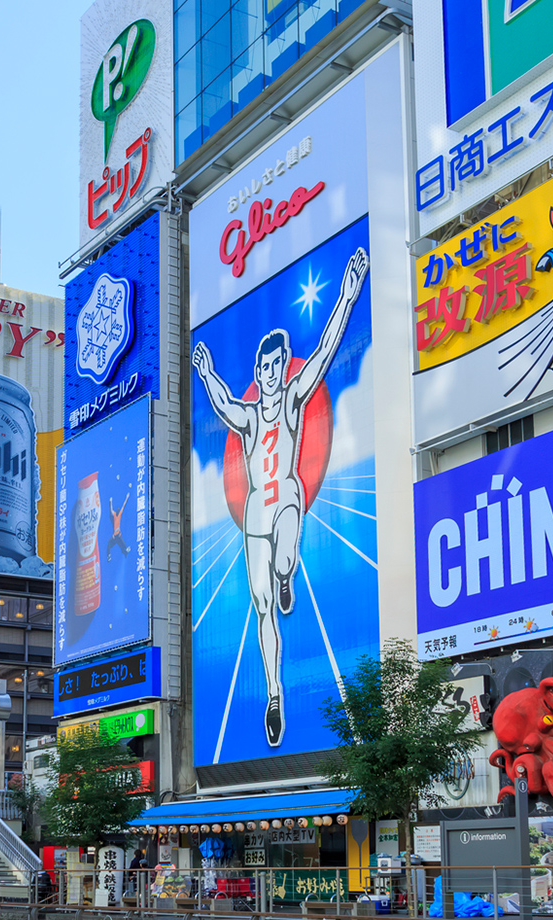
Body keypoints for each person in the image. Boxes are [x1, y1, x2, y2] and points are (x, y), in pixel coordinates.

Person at [190, 245, 367, 747]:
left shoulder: (291, 399)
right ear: (258, 370)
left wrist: (349, 294)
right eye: (264, 367)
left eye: (275, 365)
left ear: (281, 367)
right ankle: (273, 695)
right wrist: (205, 372)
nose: (270, 373)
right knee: (264, 608)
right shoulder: (247, 418)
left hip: (285, 496)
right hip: (254, 515)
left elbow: (328, 350)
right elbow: (224, 403)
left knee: (286, 547)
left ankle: (288, 571)